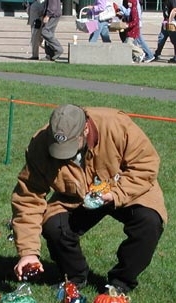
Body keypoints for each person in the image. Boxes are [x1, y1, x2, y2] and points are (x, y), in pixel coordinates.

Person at [11, 104, 167, 296]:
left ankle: (120, 283)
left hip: (126, 187)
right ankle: (75, 277)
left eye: (68, 148)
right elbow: (28, 198)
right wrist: (28, 252)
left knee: (149, 223)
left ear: (85, 129)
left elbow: (145, 166)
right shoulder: (40, 145)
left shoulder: (117, 125)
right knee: (54, 226)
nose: (63, 154)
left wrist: (115, 194)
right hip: (76, 196)